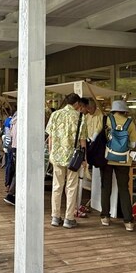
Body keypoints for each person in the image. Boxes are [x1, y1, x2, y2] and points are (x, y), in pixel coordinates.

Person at [46, 93, 87, 229]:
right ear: (77, 104)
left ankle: (55, 217)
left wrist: (51, 153)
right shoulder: (80, 117)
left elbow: (50, 137)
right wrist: (84, 158)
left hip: (57, 156)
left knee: (57, 187)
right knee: (71, 187)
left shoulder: (55, 115)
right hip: (73, 159)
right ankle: (69, 219)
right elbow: (82, 141)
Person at [101, 100, 136, 231]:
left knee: (106, 187)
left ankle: (105, 217)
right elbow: (133, 144)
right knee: (123, 188)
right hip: (124, 159)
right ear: (124, 111)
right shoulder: (130, 123)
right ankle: (128, 221)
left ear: (113, 110)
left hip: (107, 158)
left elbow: (98, 137)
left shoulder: (106, 120)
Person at [3, 112, 17, 206]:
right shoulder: (22, 121)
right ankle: (11, 194)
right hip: (18, 147)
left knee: (12, 168)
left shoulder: (13, 121)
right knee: (18, 172)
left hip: (12, 146)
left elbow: (9, 134)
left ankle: (9, 186)